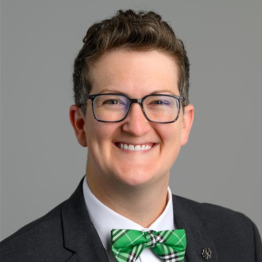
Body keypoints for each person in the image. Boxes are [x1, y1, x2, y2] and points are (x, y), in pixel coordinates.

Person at [0, 9, 261, 262]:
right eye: (113, 101)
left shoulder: (240, 238)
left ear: (185, 123)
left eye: (159, 102)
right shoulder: (17, 255)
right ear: (80, 124)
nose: (136, 126)